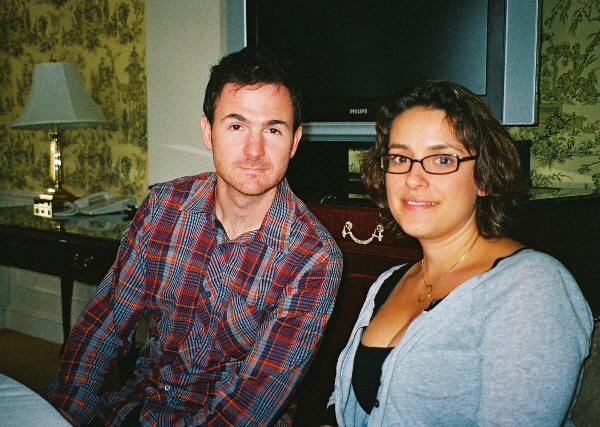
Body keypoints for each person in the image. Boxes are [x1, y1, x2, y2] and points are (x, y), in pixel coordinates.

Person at [48, 47, 342, 426]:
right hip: (138, 406)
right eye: (236, 126)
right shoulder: (162, 208)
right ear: (208, 131)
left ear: (295, 141)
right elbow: (103, 325)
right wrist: (67, 415)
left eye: (273, 129)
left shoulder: (314, 259)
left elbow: (248, 409)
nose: (255, 151)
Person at [323, 81, 593, 426]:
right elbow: (344, 402)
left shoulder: (532, 287)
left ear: (484, 178)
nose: (413, 178)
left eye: (441, 159)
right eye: (400, 158)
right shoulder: (388, 282)